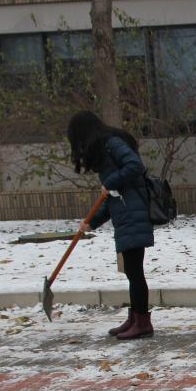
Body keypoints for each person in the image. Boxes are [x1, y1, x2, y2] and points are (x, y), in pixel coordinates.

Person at [68, 111, 154, 340]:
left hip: (133, 214)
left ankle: (142, 322)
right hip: (125, 213)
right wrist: (92, 222)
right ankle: (135, 318)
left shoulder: (111, 143)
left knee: (134, 270)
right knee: (131, 270)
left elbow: (135, 165)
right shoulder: (104, 148)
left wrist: (110, 182)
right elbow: (112, 197)